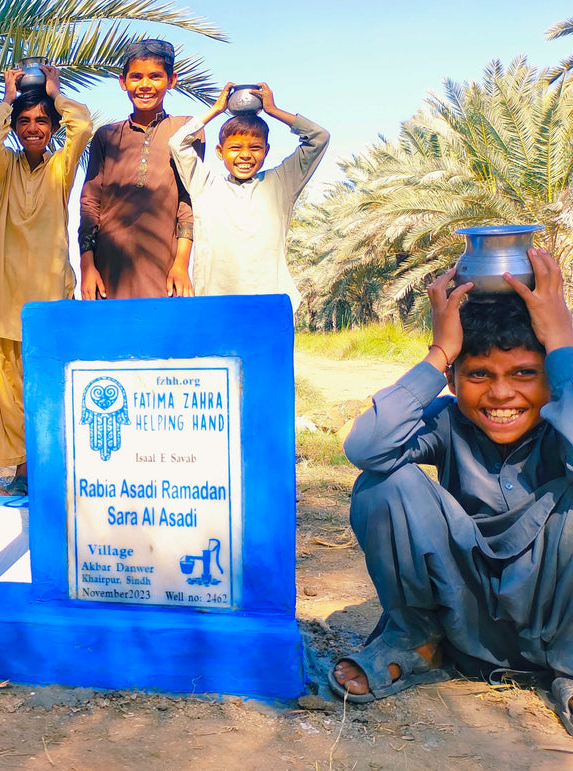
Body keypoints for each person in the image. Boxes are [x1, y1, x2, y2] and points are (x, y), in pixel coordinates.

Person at [329, 252, 573, 736]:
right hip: (465, 609)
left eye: (525, 373)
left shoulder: (558, 427)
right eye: (479, 375)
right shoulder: (447, 421)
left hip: (554, 621)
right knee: (383, 484)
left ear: (550, 376)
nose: (501, 394)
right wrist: (439, 352)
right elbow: (366, 447)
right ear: (454, 381)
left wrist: (562, 343)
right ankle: (417, 641)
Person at [0, 65, 92, 494]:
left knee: (49, 384)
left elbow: (82, 126)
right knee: (9, 392)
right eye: (24, 122)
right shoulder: (5, 170)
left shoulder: (61, 169)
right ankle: (24, 470)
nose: (32, 128)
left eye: (41, 121)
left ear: (52, 127)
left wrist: (55, 92)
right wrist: (8, 98)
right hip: (4, 298)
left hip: (48, 301)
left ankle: (52, 463)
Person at [168, 82, 329, 310]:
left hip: (269, 305)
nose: (245, 155)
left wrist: (273, 111)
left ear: (266, 151)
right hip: (214, 304)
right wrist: (216, 109)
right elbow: (177, 143)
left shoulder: (281, 182)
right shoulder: (205, 185)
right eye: (235, 148)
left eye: (255, 148)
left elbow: (319, 138)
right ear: (220, 151)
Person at [77, 38, 200, 300]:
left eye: (155, 76)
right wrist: (87, 266)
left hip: (164, 273)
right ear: (123, 82)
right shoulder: (106, 136)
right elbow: (90, 204)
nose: (145, 85)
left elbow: (188, 203)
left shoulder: (187, 130)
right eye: (136, 77)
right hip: (108, 274)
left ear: (171, 80)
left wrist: (181, 265)